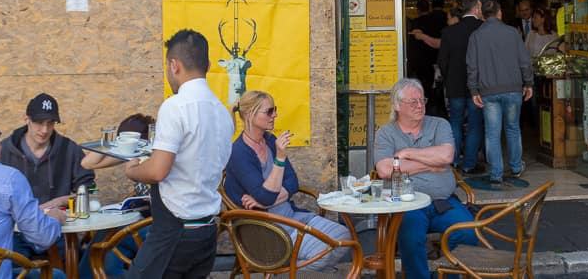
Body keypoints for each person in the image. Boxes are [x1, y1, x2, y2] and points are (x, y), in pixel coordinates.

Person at [123, 29, 234, 279]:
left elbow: (158, 170)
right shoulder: (223, 113)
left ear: (174, 65)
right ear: (206, 64)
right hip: (207, 232)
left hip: (175, 232)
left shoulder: (175, 107)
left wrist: (133, 170)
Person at [224, 90, 351, 271]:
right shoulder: (239, 153)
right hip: (268, 231)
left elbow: (292, 182)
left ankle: (288, 271)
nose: (275, 115)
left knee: (344, 237)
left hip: (291, 217)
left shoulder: (270, 140)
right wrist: (280, 159)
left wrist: (266, 200)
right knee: (328, 247)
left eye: (274, 109)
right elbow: (266, 196)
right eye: (269, 111)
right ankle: (289, 272)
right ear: (250, 115)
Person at [374, 78, 478, 279]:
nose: (420, 105)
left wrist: (407, 153)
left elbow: (446, 156)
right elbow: (386, 170)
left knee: (467, 233)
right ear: (397, 106)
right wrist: (431, 163)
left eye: (422, 100)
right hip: (408, 203)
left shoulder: (439, 124)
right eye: (413, 102)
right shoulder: (386, 133)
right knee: (411, 239)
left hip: (443, 201)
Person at [0, 93, 95, 262]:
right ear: (26, 119)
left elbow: (89, 189)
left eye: (50, 123)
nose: (44, 130)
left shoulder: (69, 149)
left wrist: (58, 202)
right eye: (39, 122)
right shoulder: (3, 151)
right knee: (10, 267)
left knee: (74, 264)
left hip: (59, 230)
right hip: (15, 232)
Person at [0, 114, 66, 279]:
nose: (0, 145)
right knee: (56, 275)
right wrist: (54, 218)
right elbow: (41, 237)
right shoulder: (7, 178)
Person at [79, 114, 155, 279]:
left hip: (157, 226)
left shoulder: (155, 156)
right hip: (140, 220)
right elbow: (87, 163)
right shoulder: (132, 155)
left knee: (112, 241)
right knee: (104, 234)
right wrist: (113, 143)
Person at [466, 0, 533, 185]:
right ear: (500, 13)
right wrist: (528, 83)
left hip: (488, 91)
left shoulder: (476, 36)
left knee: (492, 133)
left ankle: (496, 173)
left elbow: (472, 66)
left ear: (482, 15)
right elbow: (524, 61)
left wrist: (473, 89)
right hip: (513, 89)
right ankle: (516, 167)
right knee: (512, 128)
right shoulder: (512, 33)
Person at [437, 0, 484, 174]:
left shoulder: (449, 32)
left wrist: (449, 77)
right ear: (475, 9)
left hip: (455, 84)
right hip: (478, 86)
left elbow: (442, 61)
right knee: (475, 124)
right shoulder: (482, 29)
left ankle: (454, 160)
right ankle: (470, 163)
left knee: (455, 122)